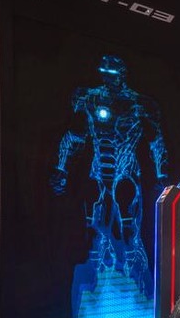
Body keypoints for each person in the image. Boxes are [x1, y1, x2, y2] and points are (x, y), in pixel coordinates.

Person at [50, 55, 168, 296]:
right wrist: (61, 169)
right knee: (94, 229)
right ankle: (96, 283)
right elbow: (73, 137)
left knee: (129, 231)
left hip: (126, 172)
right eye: (105, 74)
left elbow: (156, 141)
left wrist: (161, 173)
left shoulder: (140, 104)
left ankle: (137, 283)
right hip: (98, 173)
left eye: (113, 75)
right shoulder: (89, 99)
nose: (109, 80)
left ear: (123, 76)